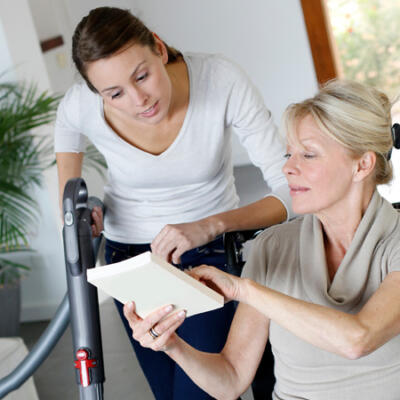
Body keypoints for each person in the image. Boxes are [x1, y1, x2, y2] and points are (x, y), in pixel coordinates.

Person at [54, 6, 292, 400]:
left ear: (159, 49)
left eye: (142, 75)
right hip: (128, 264)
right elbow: (66, 145)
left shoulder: (220, 79)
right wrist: (79, 218)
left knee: (204, 392)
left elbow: (290, 192)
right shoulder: (81, 104)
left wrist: (212, 223)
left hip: (208, 257)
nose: (138, 99)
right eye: (115, 94)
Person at [124, 80, 400, 400]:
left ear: (362, 164)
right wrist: (172, 345)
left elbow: (357, 339)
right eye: (288, 154)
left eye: (308, 155)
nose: (287, 168)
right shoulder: (273, 246)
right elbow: (231, 378)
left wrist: (244, 289)